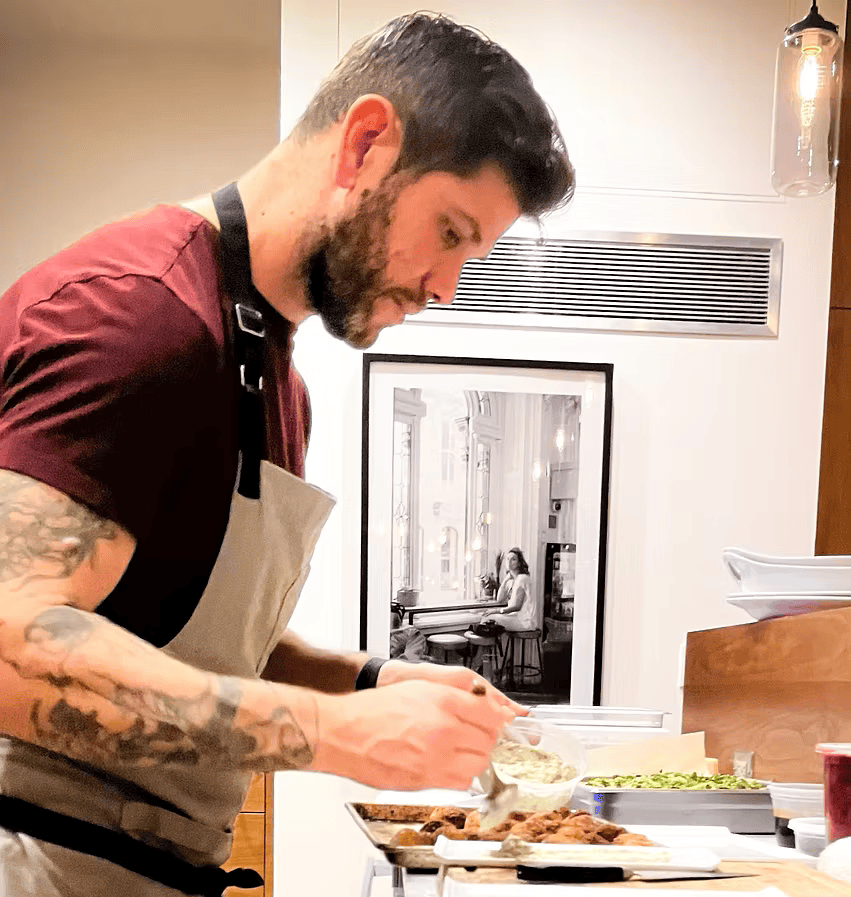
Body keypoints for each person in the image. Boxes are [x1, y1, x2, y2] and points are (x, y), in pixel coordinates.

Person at [0, 11, 573, 896]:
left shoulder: (273, 375)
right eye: (451, 231)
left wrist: (377, 680)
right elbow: (9, 639)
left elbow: (195, 643)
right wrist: (334, 733)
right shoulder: (139, 317)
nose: (447, 286)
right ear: (366, 144)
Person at [481, 547, 536, 631]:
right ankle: (491, 643)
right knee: (488, 619)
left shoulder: (522, 578)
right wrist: (505, 580)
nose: (509, 562)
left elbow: (516, 606)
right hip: (516, 617)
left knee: (489, 618)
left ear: (519, 563)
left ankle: (488, 643)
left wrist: (496, 611)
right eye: (507, 559)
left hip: (524, 620)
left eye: (513, 559)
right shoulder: (512, 580)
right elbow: (499, 599)